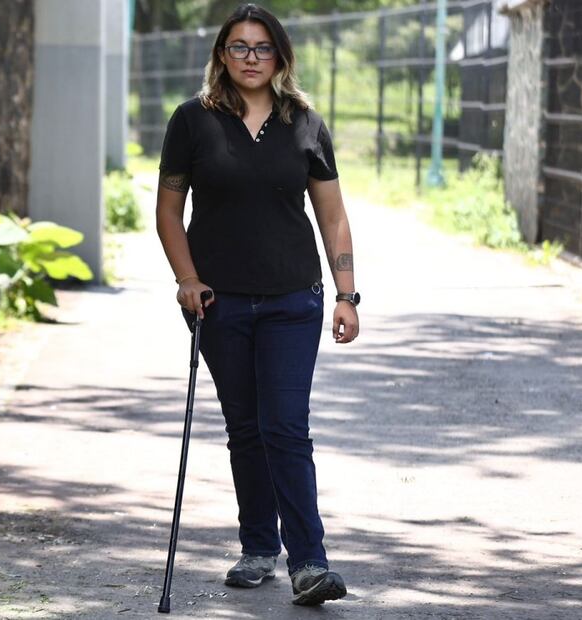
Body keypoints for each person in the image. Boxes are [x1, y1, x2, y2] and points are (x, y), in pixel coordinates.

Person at [154, 2, 359, 608]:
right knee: (246, 429)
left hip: (295, 299)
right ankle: (257, 548)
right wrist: (187, 280)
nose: (250, 57)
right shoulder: (192, 121)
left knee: (284, 427)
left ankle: (310, 562)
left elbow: (333, 216)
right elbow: (168, 212)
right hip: (218, 302)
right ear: (222, 54)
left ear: (280, 56)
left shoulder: (305, 123)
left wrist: (347, 294)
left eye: (262, 47)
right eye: (239, 46)